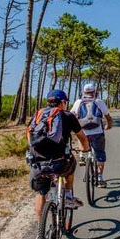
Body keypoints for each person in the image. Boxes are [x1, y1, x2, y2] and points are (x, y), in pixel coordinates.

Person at [27, 89, 91, 224]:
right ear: (62, 102)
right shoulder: (67, 116)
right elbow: (82, 137)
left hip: (38, 163)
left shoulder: (37, 116)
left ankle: (40, 232)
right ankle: (68, 195)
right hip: (60, 162)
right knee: (71, 166)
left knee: (40, 193)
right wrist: (85, 148)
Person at [70, 83, 113, 187]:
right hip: (97, 131)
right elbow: (107, 116)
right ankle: (99, 178)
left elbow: (72, 116)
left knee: (81, 136)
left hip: (84, 131)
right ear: (94, 92)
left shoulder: (78, 102)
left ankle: (82, 155)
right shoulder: (98, 101)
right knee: (100, 153)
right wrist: (109, 125)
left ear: (84, 92)